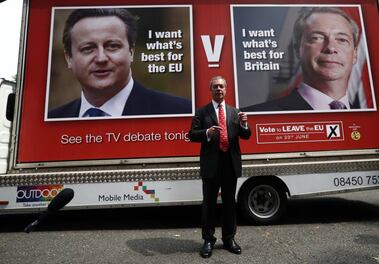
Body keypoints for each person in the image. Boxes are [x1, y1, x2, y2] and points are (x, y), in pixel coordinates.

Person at [48, 8, 191, 119]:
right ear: (69, 58)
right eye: (88, 49)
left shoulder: (182, 112)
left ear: (131, 52)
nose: (101, 58)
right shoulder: (54, 120)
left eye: (112, 46)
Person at [244, 7, 361, 111]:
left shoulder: (369, 120)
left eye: (342, 40)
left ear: (355, 54)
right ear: (297, 49)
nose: (330, 48)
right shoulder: (252, 116)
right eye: (317, 38)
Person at [189, 76, 251, 258]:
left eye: (221, 86)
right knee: (209, 204)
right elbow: (191, 135)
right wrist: (206, 133)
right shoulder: (202, 112)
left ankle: (229, 238)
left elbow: (246, 135)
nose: (219, 89)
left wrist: (245, 124)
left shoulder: (235, 112)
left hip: (230, 164)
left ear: (226, 89)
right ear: (211, 90)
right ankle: (208, 240)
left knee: (230, 203)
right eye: (215, 86)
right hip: (211, 165)